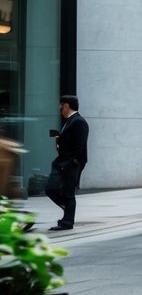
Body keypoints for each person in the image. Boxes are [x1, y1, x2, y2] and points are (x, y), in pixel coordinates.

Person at [46, 95, 88, 231]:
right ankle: (68, 213)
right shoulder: (70, 121)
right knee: (51, 189)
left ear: (66, 105)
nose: (59, 109)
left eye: (60, 106)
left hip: (70, 163)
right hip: (63, 161)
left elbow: (80, 144)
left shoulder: (79, 121)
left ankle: (67, 221)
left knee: (68, 193)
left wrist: (74, 160)